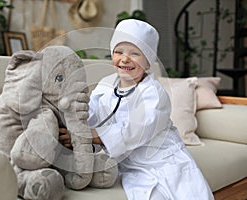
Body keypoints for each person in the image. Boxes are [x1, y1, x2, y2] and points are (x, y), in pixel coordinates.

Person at [60, 19, 214, 200]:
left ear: (148, 62)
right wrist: (74, 124)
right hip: (129, 164)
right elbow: (92, 115)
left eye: (135, 53)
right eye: (118, 52)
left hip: (162, 160)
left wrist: (86, 135)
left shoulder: (154, 93)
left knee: (185, 193)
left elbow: (135, 130)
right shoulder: (106, 85)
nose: (125, 58)